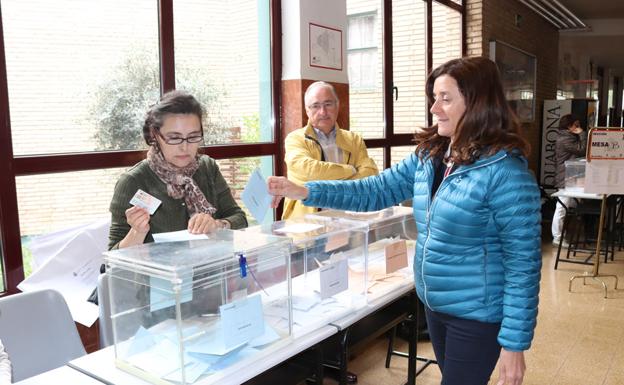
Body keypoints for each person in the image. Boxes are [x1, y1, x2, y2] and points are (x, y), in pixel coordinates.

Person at [268, 57, 541, 385]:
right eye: (434, 97)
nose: (434, 108)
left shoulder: (506, 172)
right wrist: (303, 190)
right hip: (435, 305)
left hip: (476, 314)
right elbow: (372, 190)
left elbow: (523, 265)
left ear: (477, 101)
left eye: (445, 98)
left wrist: (514, 344)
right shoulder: (429, 157)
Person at [108, 90, 247, 249]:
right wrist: (137, 232)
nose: (184, 147)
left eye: (193, 137)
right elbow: (112, 261)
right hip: (161, 273)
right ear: (155, 135)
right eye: (174, 138)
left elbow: (239, 218)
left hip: (210, 271)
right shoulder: (134, 181)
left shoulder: (208, 168)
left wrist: (218, 225)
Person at [282, 81, 378, 219]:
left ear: (337, 106)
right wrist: (350, 170)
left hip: (349, 220)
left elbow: (370, 174)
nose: (323, 112)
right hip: (307, 224)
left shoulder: (354, 139)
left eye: (328, 104)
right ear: (307, 110)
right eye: (315, 106)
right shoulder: (295, 139)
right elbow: (308, 171)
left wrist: (328, 178)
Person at [551, 114, 586, 247]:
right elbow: (581, 150)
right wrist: (582, 133)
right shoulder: (565, 139)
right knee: (562, 207)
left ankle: (561, 235)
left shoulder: (567, 137)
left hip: (569, 176)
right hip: (565, 177)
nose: (578, 127)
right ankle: (557, 237)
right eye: (576, 125)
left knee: (569, 205)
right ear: (569, 126)